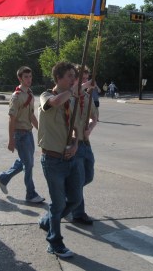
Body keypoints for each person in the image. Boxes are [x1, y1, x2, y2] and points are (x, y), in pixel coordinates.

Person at [37, 61, 88, 258]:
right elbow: (56, 103)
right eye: (69, 76)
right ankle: (55, 242)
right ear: (58, 78)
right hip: (52, 160)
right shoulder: (46, 96)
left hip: (71, 158)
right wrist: (75, 90)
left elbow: (75, 128)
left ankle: (48, 220)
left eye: (74, 76)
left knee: (75, 199)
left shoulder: (73, 100)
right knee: (58, 204)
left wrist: (75, 145)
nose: (73, 79)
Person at [0, 66, 45, 203]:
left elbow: (31, 116)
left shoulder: (29, 94)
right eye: (26, 77)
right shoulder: (16, 97)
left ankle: (3, 177)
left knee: (26, 161)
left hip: (28, 133)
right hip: (19, 135)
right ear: (20, 78)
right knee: (28, 164)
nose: (29, 80)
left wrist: (41, 131)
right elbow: (12, 119)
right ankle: (30, 194)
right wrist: (11, 140)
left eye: (30, 77)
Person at [72, 66, 98, 226]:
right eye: (82, 79)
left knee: (88, 176)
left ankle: (70, 195)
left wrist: (90, 126)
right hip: (73, 144)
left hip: (85, 142)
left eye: (86, 79)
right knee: (79, 178)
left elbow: (94, 116)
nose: (85, 82)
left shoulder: (87, 98)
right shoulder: (68, 97)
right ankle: (78, 212)